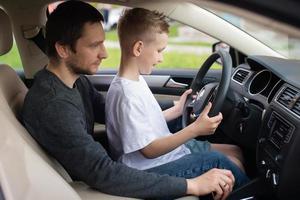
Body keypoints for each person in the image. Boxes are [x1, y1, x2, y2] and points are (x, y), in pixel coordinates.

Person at [22, 1, 243, 199]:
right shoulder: (54, 106)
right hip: (108, 179)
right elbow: (103, 172)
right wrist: (191, 185)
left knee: (228, 157)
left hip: (121, 166)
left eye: (103, 43)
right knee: (221, 164)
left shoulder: (75, 82)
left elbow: (111, 115)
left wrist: (175, 111)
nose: (104, 54)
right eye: (93, 45)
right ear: (63, 49)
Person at [105, 6, 249, 193]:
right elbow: (150, 150)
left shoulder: (134, 81)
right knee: (223, 162)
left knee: (235, 152)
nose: (161, 58)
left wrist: (177, 109)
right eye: (159, 50)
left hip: (165, 156)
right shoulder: (126, 95)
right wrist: (195, 129)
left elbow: (144, 124)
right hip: (147, 169)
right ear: (139, 48)